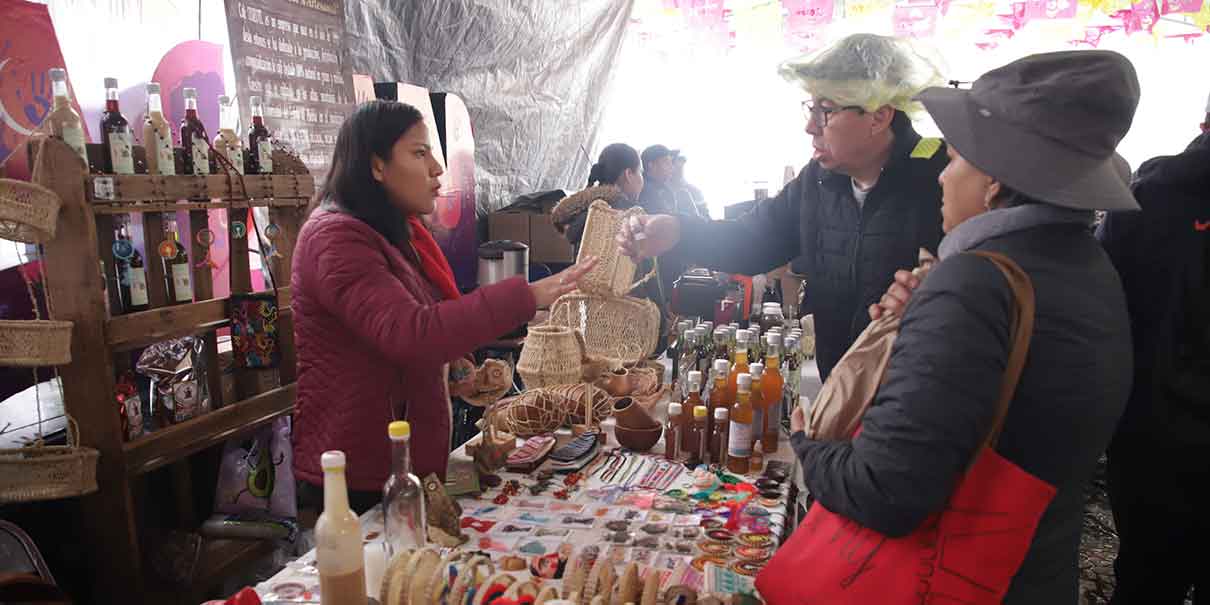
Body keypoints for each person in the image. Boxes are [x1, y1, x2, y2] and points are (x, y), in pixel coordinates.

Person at [783, 50, 1138, 603]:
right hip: (1035, 570)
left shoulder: (976, 284)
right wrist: (921, 320)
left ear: (993, 180)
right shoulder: (1086, 268)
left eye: (952, 159)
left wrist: (807, 443)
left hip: (952, 581)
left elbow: (884, 491)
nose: (943, 176)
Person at [290, 101, 596, 512]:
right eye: (419, 153)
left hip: (402, 464)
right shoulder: (335, 239)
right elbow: (411, 334)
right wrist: (528, 295)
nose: (437, 168)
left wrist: (456, 373)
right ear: (376, 165)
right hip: (360, 475)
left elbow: (393, 344)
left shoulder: (395, 234)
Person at [619, 33, 948, 381]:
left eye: (826, 111)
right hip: (839, 392)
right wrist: (678, 231)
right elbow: (752, 239)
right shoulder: (817, 183)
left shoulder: (941, 179)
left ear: (878, 116)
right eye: (811, 108)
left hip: (919, 396)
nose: (810, 127)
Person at [1098, 97, 1210, 604]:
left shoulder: (1146, 198)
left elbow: (1105, 318)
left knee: (1145, 579)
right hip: (1156, 439)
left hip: (1152, 445)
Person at [551, 143, 671, 355]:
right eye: (640, 173)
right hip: (629, 327)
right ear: (628, 174)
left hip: (589, 324)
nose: (642, 181)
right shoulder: (628, 216)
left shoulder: (585, 215)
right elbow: (646, 274)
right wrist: (662, 317)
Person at [639, 144, 699, 216]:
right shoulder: (644, 189)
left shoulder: (662, 187)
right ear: (651, 165)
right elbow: (665, 218)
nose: (671, 167)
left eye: (671, 162)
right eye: (666, 162)